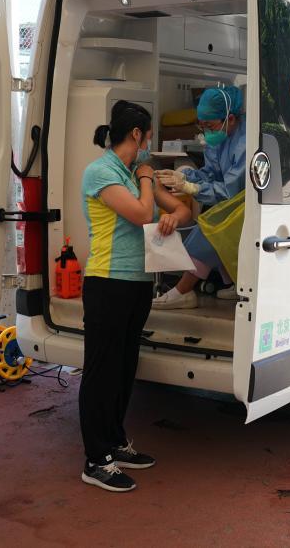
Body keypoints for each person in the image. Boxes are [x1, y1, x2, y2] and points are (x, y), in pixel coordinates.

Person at [80, 100, 191, 493]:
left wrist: (173, 217)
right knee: (101, 371)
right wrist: (146, 179)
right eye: (148, 137)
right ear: (136, 134)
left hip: (138, 283)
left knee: (125, 368)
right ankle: (96, 459)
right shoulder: (102, 172)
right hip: (107, 282)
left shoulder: (135, 172)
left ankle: (115, 442)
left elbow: (184, 210)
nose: (148, 146)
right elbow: (142, 214)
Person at [152, 86, 246, 310]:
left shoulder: (246, 142)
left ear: (230, 119)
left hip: (246, 202)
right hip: (230, 202)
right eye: (202, 126)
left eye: (209, 126)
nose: (206, 132)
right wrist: (185, 176)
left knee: (210, 229)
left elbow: (230, 190)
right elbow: (210, 174)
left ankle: (183, 291)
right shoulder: (218, 140)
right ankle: (237, 282)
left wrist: (191, 187)